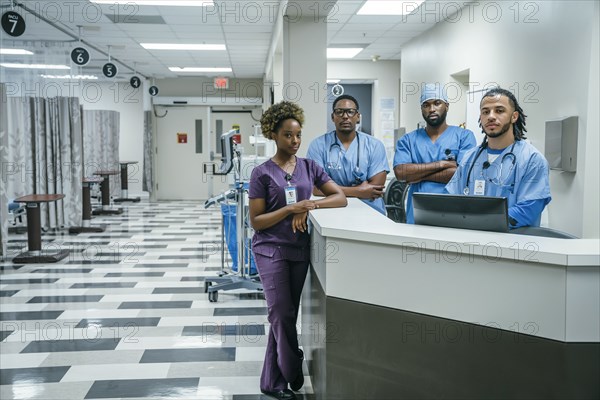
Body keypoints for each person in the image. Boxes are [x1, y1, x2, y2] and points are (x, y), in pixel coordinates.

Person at [249, 101, 346, 400]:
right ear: (274, 135)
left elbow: (339, 197)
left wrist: (310, 204)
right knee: (279, 312)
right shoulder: (261, 173)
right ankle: (292, 369)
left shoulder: (308, 166)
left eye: (298, 135)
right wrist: (291, 208)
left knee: (286, 315)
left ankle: (271, 381)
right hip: (269, 249)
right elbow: (257, 221)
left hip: (298, 250)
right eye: (288, 135)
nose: (294, 141)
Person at [446, 87, 551, 228]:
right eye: (485, 112)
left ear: (514, 116)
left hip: (514, 245)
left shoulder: (532, 159)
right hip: (469, 242)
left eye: (499, 111)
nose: (491, 116)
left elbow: (528, 210)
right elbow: (452, 201)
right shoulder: (469, 158)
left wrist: (478, 220)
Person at [393, 83, 476, 223]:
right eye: (426, 105)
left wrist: (417, 175)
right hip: (417, 213)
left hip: (453, 213)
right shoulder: (408, 140)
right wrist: (441, 164)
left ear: (447, 106)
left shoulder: (464, 137)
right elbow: (401, 173)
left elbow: (462, 176)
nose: (431, 109)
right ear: (421, 109)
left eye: (437, 103)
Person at [306, 94, 389, 214]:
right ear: (333, 117)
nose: (345, 116)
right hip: (332, 211)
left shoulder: (375, 145)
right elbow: (316, 188)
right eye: (339, 112)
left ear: (358, 117)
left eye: (350, 112)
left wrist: (333, 189)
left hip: (370, 212)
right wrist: (359, 191)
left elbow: (375, 189)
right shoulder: (318, 145)